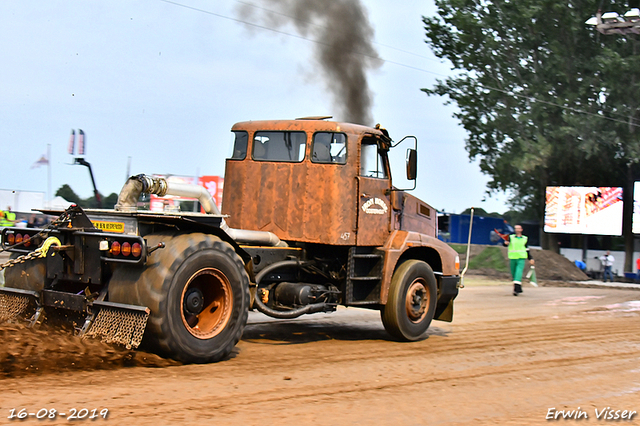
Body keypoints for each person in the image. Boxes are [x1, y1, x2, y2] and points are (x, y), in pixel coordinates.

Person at [504, 224, 534, 296]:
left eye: (518, 228)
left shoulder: (525, 238)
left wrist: (530, 258)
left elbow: (527, 249)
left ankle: (516, 289)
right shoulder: (511, 237)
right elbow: (505, 244)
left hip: (521, 258)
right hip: (513, 258)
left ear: (521, 230)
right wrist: (505, 243)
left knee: (518, 272)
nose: (517, 230)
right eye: (515, 228)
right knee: (514, 274)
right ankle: (518, 288)